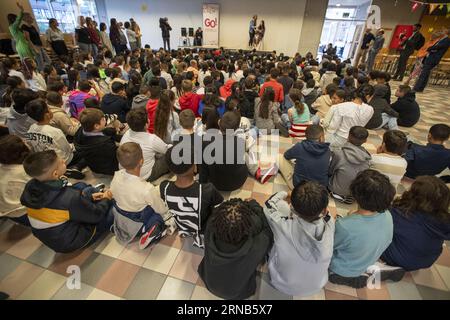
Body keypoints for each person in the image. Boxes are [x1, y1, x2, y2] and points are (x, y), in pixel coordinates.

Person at [20, 150, 113, 253]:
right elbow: (96, 216)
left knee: (82, 188)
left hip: (54, 234)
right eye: (62, 162)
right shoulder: (69, 198)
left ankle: (94, 193)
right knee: (113, 210)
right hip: (71, 240)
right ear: (55, 174)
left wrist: (88, 198)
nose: (64, 160)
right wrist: (106, 199)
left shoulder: (31, 185)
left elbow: (64, 203)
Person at [329, 169, 397, 288]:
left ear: (355, 194)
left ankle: (350, 278)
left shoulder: (345, 226)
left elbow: (330, 246)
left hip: (341, 269)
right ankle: (371, 270)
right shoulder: (387, 215)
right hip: (367, 260)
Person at [264, 182, 334, 297]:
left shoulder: (283, 225)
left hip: (281, 283)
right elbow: (327, 215)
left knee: (279, 209)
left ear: (292, 208)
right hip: (317, 286)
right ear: (325, 210)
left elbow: (268, 205)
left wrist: (286, 193)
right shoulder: (330, 224)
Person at [198, 198, 274, 300]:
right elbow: (267, 228)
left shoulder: (210, 228)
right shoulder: (258, 244)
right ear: (248, 227)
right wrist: (253, 204)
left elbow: (215, 214)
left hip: (208, 281)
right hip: (236, 294)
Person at [381, 176, 450, 271]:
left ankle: (384, 268)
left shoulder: (400, 212)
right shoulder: (444, 220)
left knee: (376, 223)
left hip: (396, 258)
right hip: (427, 261)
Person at [160, 145, 224, 248]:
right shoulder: (208, 189)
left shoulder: (164, 187)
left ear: (171, 169)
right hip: (203, 227)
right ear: (194, 166)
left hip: (183, 226)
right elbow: (221, 208)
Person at [110, 142, 169, 249]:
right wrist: (166, 212)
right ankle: (149, 232)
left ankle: (119, 227)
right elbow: (160, 209)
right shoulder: (146, 189)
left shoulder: (116, 176)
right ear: (141, 161)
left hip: (121, 215)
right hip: (138, 220)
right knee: (158, 217)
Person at [199, 111, 250, 192]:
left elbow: (203, 169)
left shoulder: (206, 142)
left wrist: (201, 187)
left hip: (215, 183)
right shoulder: (240, 141)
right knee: (247, 156)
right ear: (237, 128)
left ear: (219, 122)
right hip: (238, 181)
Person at [120, 108, 170, 182]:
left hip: (126, 174)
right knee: (170, 155)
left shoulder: (126, 134)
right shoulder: (152, 139)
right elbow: (167, 150)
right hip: (145, 176)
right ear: (146, 125)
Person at [328, 126, 371, 204]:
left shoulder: (339, 153)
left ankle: (337, 194)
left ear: (348, 136)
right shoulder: (367, 157)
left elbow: (330, 171)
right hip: (355, 192)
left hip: (336, 188)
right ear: (365, 140)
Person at [280, 125, 331, 190]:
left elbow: (286, 155)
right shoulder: (327, 150)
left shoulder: (299, 147)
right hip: (320, 189)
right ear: (321, 137)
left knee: (279, 157)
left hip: (299, 187)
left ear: (306, 136)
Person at [324, 86, 374, 151]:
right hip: (356, 140)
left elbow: (333, 127)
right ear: (368, 96)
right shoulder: (370, 109)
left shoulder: (341, 106)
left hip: (340, 138)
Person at [74, 108, 119, 176]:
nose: (105, 120)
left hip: (93, 162)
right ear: (96, 126)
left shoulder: (80, 131)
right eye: (103, 120)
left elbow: (102, 132)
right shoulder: (105, 143)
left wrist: (110, 131)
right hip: (107, 168)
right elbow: (116, 155)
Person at [0, 135, 31, 225]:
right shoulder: (25, 170)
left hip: (7, 212)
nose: (25, 141)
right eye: (23, 142)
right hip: (25, 213)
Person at [414, 28, 450, 93]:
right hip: (430, 57)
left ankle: (417, 88)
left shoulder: (447, 40)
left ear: (446, 32)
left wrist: (430, 48)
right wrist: (431, 48)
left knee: (424, 74)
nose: (442, 31)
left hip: (433, 58)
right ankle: (420, 88)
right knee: (426, 74)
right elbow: (434, 47)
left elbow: (438, 47)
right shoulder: (440, 39)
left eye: (443, 31)